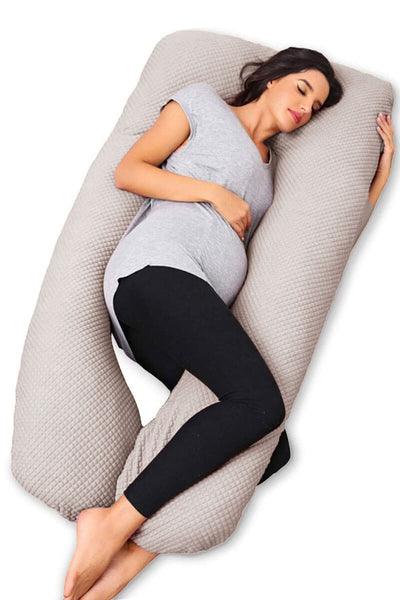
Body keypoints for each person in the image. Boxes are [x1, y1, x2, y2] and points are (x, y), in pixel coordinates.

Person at [63, 46, 394, 600]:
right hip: (156, 273)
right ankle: (113, 523)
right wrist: (213, 193)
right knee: (260, 403)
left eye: (316, 105)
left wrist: (381, 175)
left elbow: (330, 235)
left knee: (272, 447)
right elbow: (130, 171)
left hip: (191, 307)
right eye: (303, 89)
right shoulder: (202, 106)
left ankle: (130, 557)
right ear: (273, 79)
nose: (306, 107)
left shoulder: (269, 166)